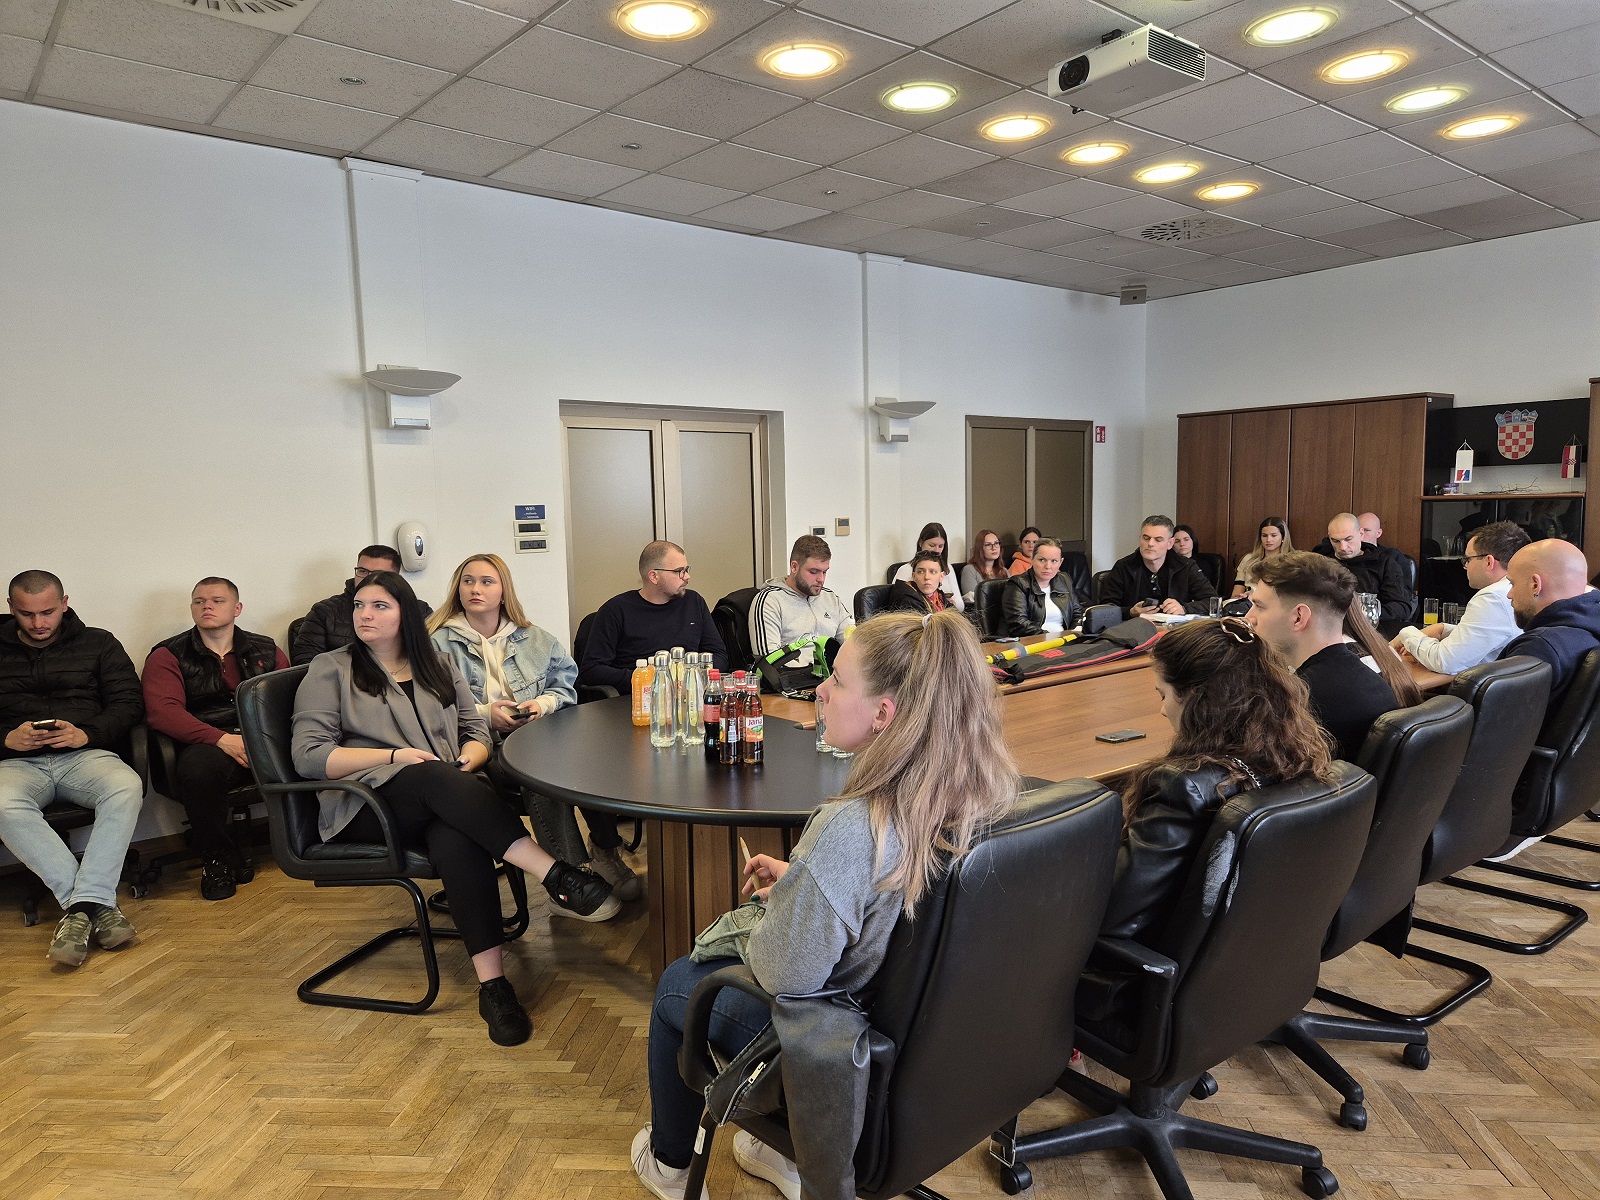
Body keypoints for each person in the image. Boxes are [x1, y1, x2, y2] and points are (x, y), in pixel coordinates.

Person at [632, 610, 1018, 1200]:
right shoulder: (984, 795)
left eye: (837, 679)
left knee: (678, 985)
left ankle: (669, 1163)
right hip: (933, 1042)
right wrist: (809, 883)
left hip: (849, 1040)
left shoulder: (853, 828)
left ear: (884, 713)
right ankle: (773, 1148)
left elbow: (786, 975)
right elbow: (901, 901)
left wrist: (792, 903)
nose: (820, 690)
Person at [293, 571, 617, 1047]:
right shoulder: (331, 668)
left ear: (405, 614)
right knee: (434, 777)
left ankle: (494, 988)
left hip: (442, 797)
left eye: (379, 606)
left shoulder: (438, 664)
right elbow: (308, 756)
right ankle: (555, 873)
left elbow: (475, 730)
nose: (364, 614)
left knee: (456, 834)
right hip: (366, 808)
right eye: (359, 605)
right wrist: (394, 756)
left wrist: (469, 759)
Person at [1100, 618, 1334, 943]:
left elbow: (1115, 918)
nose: (1162, 710)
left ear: (1195, 699)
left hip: (1149, 959)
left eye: (1163, 694)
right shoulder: (1298, 760)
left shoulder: (1182, 786)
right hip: (1250, 947)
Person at [428, 554, 638, 911]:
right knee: (541, 771)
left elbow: (565, 686)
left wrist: (540, 705)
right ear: (457, 589)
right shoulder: (436, 643)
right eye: (468, 581)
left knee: (594, 757)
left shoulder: (535, 638)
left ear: (503, 591)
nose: (476, 589)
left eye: (486, 582)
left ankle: (605, 850)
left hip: (537, 733)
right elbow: (430, 705)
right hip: (477, 744)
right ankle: (569, 879)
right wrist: (486, 715)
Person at [0, 571, 144, 967]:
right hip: (16, 762)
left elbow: (130, 703)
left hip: (84, 755)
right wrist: (6, 738)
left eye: (47, 612)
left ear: (65, 603)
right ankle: (94, 906)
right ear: (11, 608)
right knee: (2, 803)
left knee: (125, 786)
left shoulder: (99, 642)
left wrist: (86, 733)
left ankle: (79, 909)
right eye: (27, 614)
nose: (38, 623)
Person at [141, 577, 288, 900]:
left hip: (261, 739)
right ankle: (216, 859)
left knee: (316, 750)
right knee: (199, 770)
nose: (207, 606)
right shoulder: (168, 654)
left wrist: (260, 739)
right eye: (199, 601)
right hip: (207, 744)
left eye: (217, 601)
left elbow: (286, 700)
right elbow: (163, 713)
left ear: (237, 608)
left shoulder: (266, 649)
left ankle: (314, 840)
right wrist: (221, 739)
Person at [1247, 552, 1399, 761]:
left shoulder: (1298, 704)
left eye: (1259, 607)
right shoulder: (1377, 684)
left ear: (1299, 617)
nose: (1249, 617)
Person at [577, 541, 728, 692]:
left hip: (689, 694)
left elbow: (719, 655)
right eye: (679, 571)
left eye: (686, 569)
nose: (687, 576)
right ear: (654, 576)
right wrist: (648, 678)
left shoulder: (694, 602)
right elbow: (592, 670)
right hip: (638, 697)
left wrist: (692, 676)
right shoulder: (615, 610)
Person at [1391, 521, 1527, 674]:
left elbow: (1445, 662)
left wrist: (1407, 634)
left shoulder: (1492, 598)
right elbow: (1487, 635)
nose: (1465, 566)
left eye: (1468, 559)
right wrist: (1444, 629)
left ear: (1489, 562)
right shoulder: (1514, 589)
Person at [1498, 538, 1600, 717]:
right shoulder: (1591, 631)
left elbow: (1497, 723)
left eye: (1512, 584)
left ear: (1535, 585)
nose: (1509, 594)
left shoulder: (1538, 647)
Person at [291, 545, 432, 665]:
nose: (368, 578)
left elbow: (429, 656)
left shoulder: (420, 611)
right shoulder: (324, 612)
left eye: (378, 573)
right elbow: (305, 665)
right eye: (362, 571)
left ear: (396, 577)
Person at [750, 535, 853, 673]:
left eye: (824, 572)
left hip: (832, 676)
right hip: (793, 680)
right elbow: (769, 662)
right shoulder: (769, 601)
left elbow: (854, 643)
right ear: (794, 567)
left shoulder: (830, 598)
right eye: (814, 572)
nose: (821, 579)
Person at [1097, 515, 1218, 620]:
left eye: (1158, 540)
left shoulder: (1186, 567)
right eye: (1146, 538)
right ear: (1140, 539)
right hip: (1134, 631)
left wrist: (1184, 608)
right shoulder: (1123, 567)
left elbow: (1212, 602)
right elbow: (1106, 609)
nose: (1150, 544)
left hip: (1174, 632)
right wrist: (1130, 612)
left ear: (1170, 543)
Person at [1316, 514, 1411, 638]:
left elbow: (1402, 607)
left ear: (1361, 534)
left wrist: (1370, 613)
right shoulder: (1320, 563)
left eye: (1348, 539)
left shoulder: (1385, 564)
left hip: (1371, 633)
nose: (1343, 547)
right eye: (1336, 541)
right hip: (1327, 631)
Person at [1000, 538, 1076, 637]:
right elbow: (1019, 624)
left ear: (1060, 562)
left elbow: (1077, 612)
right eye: (1042, 560)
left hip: (1065, 640)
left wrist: (1073, 634)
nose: (1048, 566)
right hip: (1034, 642)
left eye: (1054, 561)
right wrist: (1050, 637)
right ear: (1032, 559)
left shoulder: (1064, 580)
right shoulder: (1017, 584)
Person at [890, 522, 963, 611]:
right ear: (921, 543)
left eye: (940, 546)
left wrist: (945, 603)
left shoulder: (948, 568)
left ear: (941, 576)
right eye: (932, 545)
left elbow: (960, 605)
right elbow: (896, 602)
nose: (936, 550)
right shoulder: (905, 570)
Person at [1232, 516, 1293, 598]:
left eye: (1273, 535)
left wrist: (1256, 598)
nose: (1268, 540)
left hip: (1272, 603)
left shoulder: (1291, 562)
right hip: (1245, 602)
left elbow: (1289, 597)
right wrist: (1241, 597)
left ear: (1283, 538)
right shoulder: (1248, 559)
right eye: (1264, 535)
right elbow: (1235, 594)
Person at [959, 529, 1009, 604]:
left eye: (996, 543)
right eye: (988, 545)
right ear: (980, 548)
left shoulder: (1004, 571)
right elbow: (972, 600)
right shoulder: (969, 570)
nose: (994, 548)